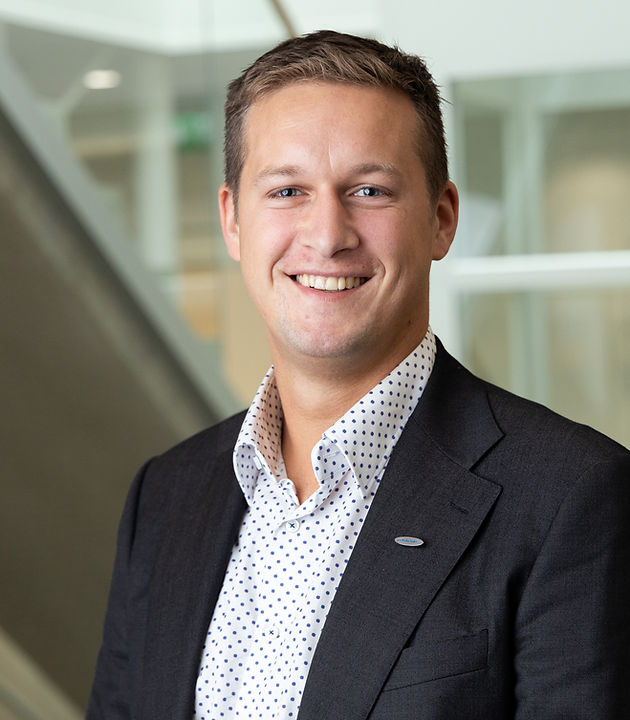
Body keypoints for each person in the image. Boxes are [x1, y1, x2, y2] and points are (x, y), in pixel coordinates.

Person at [87, 30, 630, 720]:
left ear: (441, 219)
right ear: (232, 221)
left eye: (369, 190)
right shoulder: (165, 497)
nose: (327, 234)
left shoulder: (569, 497)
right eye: (287, 190)